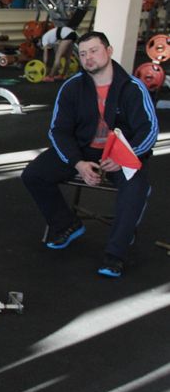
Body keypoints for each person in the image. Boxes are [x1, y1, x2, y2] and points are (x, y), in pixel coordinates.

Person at [21, 31, 157, 278]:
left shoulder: (132, 87)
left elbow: (149, 130)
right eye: (83, 54)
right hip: (83, 150)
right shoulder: (71, 87)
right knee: (33, 174)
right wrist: (78, 163)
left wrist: (126, 157)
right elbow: (58, 131)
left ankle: (115, 254)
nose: (88, 58)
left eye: (94, 51)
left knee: (135, 188)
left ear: (109, 51)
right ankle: (67, 224)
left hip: (122, 153)